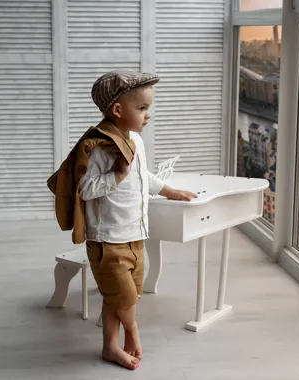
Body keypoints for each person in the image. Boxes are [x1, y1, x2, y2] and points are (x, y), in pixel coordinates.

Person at [81, 70, 197, 370]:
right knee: (126, 300)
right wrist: (117, 174)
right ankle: (132, 334)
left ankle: (109, 347)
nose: (149, 115)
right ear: (118, 110)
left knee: (119, 297)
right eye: (142, 108)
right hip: (109, 240)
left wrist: (169, 191)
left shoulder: (135, 140)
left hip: (135, 236)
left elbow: (142, 176)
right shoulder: (101, 146)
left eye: (149, 108)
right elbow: (85, 188)